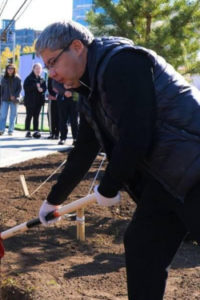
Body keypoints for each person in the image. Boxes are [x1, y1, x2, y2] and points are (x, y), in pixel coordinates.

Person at [35, 20, 200, 300]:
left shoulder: (122, 63)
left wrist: (109, 186)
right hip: (168, 181)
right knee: (142, 247)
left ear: (76, 47)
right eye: (48, 67)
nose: (52, 74)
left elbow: (137, 134)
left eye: (53, 63)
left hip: (195, 169)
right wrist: (54, 200)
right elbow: (85, 149)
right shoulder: (89, 90)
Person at [22, 63, 46, 138]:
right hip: (30, 101)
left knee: (36, 116)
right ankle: (28, 131)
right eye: (36, 68)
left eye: (39, 69)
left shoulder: (42, 79)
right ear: (33, 69)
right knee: (29, 116)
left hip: (38, 101)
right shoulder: (29, 78)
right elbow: (26, 88)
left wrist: (42, 89)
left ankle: (36, 131)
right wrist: (35, 86)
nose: (38, 70)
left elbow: (45, 88)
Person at [0, 63, 22, 136]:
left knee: (12, 116)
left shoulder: (18, 79)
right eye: (9, 68)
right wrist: (1, 98)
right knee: (3, 115)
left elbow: (20, 89)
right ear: (6, 69)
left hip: (14, 100)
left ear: (14, 69)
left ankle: (10, 131)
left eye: (12, 68)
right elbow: (1, 89)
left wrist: (15, 96)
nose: (10, 70)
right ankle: (1, 129)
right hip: (5, 99)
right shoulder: (3, 78)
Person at [53, 79, 78, 145]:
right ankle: (63, 138)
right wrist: (64, 91)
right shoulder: (60, 70)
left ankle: (75, 138)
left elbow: (80, 83)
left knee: (74, 119)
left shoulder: (77, 69)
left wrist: (71, 88)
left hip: (75, 95)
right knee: (62, 119)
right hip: (62, 96)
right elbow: (55, 83)